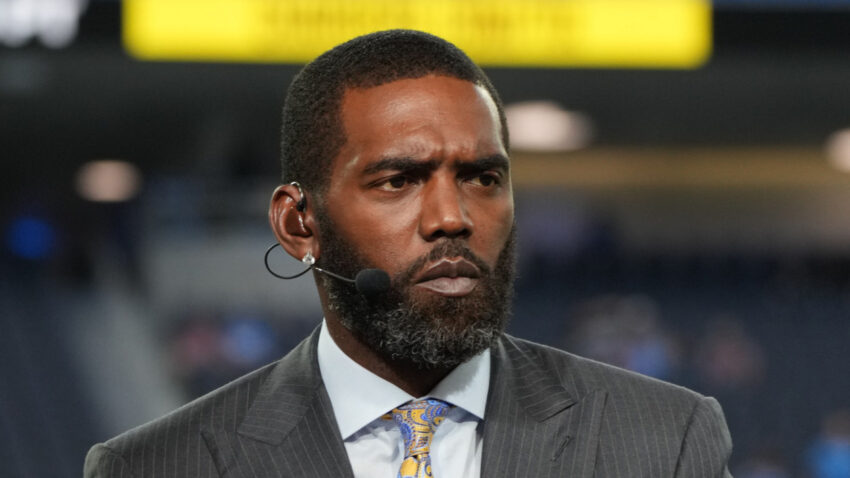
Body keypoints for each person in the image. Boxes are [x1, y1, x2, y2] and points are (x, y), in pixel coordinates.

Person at [84, 29, 733, 477]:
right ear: (298, 223)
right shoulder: (157, 467)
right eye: (398, 181)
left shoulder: (664, 441)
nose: (453, 217)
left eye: (483, 178)